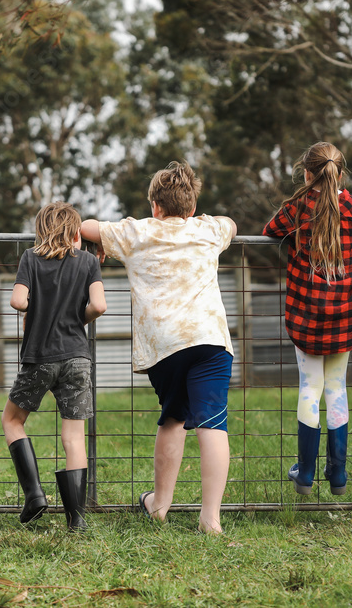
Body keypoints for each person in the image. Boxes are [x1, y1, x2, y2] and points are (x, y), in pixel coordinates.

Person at [81, 161, 236, 534]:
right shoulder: (208, 229)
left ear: (155, 205)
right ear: (192, 206)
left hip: (163, 345)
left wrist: (100, 241)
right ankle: (210, 518)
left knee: (173, 417)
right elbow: (231, 223)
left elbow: (84, 227)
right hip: (209, 339)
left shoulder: (136, 233)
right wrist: (209, 219)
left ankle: (159, 505)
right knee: (213, 423)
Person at [262, 142, 352, 497]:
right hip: (345, 315)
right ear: (339, 173)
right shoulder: (350, 206)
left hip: (307, 316)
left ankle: (304, 474)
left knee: (311, 388)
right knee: (337, 388)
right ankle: (338, 476)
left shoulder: (294, 209)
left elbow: (268, 231)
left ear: (307, 173)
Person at [2, 202, 107, 532]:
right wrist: (80, 318)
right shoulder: (88, 261)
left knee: (12, 420)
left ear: (40, 232)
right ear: (76, 233)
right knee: (73, 438)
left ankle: (34, 495)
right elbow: (99, 305)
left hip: (39, 358)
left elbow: (18, 301)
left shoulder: (30, 259)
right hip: (77, 357)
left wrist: (35, 309)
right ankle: (76, 519)